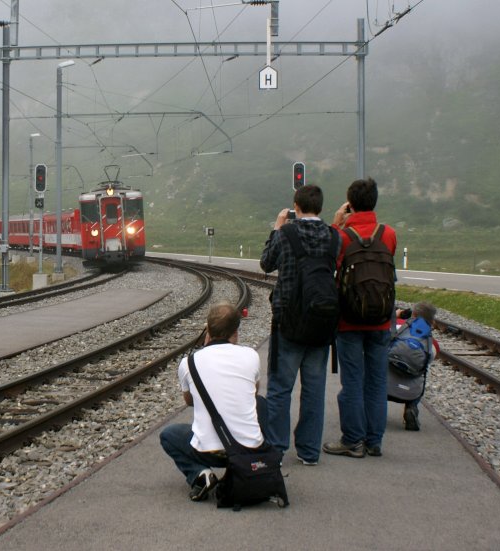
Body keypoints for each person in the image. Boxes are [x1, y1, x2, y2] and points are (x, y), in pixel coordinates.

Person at [260, 184, 338, 466]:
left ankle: (277, 449)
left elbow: (266, 264)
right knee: (315, 390)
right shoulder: (333, 236)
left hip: (288, 322)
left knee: (280, 388)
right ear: (320, 207)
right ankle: (308, 452)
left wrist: (277, 228)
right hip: (321, 323)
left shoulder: (286, 234)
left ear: (296, 205)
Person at [159, 302, 266, 501]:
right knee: (262, 404)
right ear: (236, 331)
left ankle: (199, 474)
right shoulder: (251, 356)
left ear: (207, 330)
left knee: (169, 435)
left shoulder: (188, 362)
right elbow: (253, 393)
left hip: (208, 452)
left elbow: (189, 400)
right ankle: (246, 468)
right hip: (247, 449)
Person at [323, 177, 397, 458]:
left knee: (352, 381)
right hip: (380, 320)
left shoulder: (342, 236)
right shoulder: (388, 234)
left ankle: (353, 440)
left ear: (350, 204)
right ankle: (374, 440)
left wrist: (337, 223)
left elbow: (329, 259)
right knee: (377, 381)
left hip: (349, 321)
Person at [394, 302, 440, 431]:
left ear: (413, 314)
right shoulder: (431, 343)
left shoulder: (397, 325)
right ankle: (411, 407)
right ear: (431, 321)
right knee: (423, 370)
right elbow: (430, 359)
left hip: (385, 382)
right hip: (410, 389)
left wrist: (396, 315)